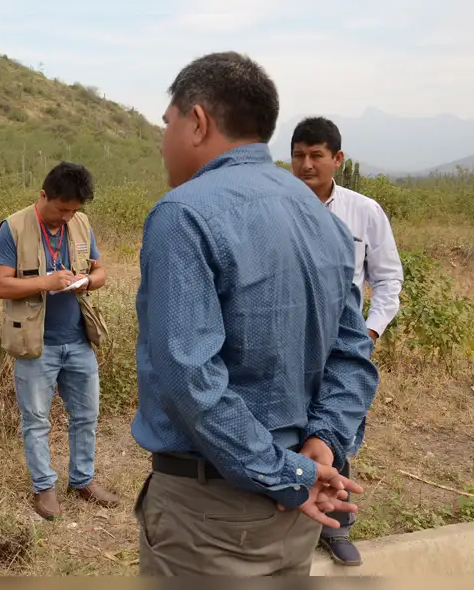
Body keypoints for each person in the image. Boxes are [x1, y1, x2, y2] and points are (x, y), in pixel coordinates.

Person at [131, 51, 380, 576]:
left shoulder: (182, 215)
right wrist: (323, 443)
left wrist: (284, 471)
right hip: (298, 515)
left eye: (167, 123)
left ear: (196, 121)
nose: (162, 141)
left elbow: (190, 377)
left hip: (211, 519)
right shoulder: (323, 218)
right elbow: (353, 353)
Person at [291, 116, 404, 566]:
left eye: (316, 155)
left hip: (342, 348)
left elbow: (388, 279)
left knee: (335, 427)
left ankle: (335, 527)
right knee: (288, 429)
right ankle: (290, 521)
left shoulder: (364, 211)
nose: (306, 164)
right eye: (299, 155)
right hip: (288, 343)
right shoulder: (277, 208)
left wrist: (370, 333)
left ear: (337, 159)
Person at [0, 161, 119, 520]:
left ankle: (82, 481)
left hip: (78, 340)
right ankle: (44, 489)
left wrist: (88, 281)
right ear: (43, 196)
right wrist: (44, 283)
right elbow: (1, 285)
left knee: (86, 416)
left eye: (74, 210)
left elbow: (100, 270)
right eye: (61, 209)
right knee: (36, 420)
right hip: (35, 344)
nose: (66, 217)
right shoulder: (13, 227)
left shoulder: (79, 223)